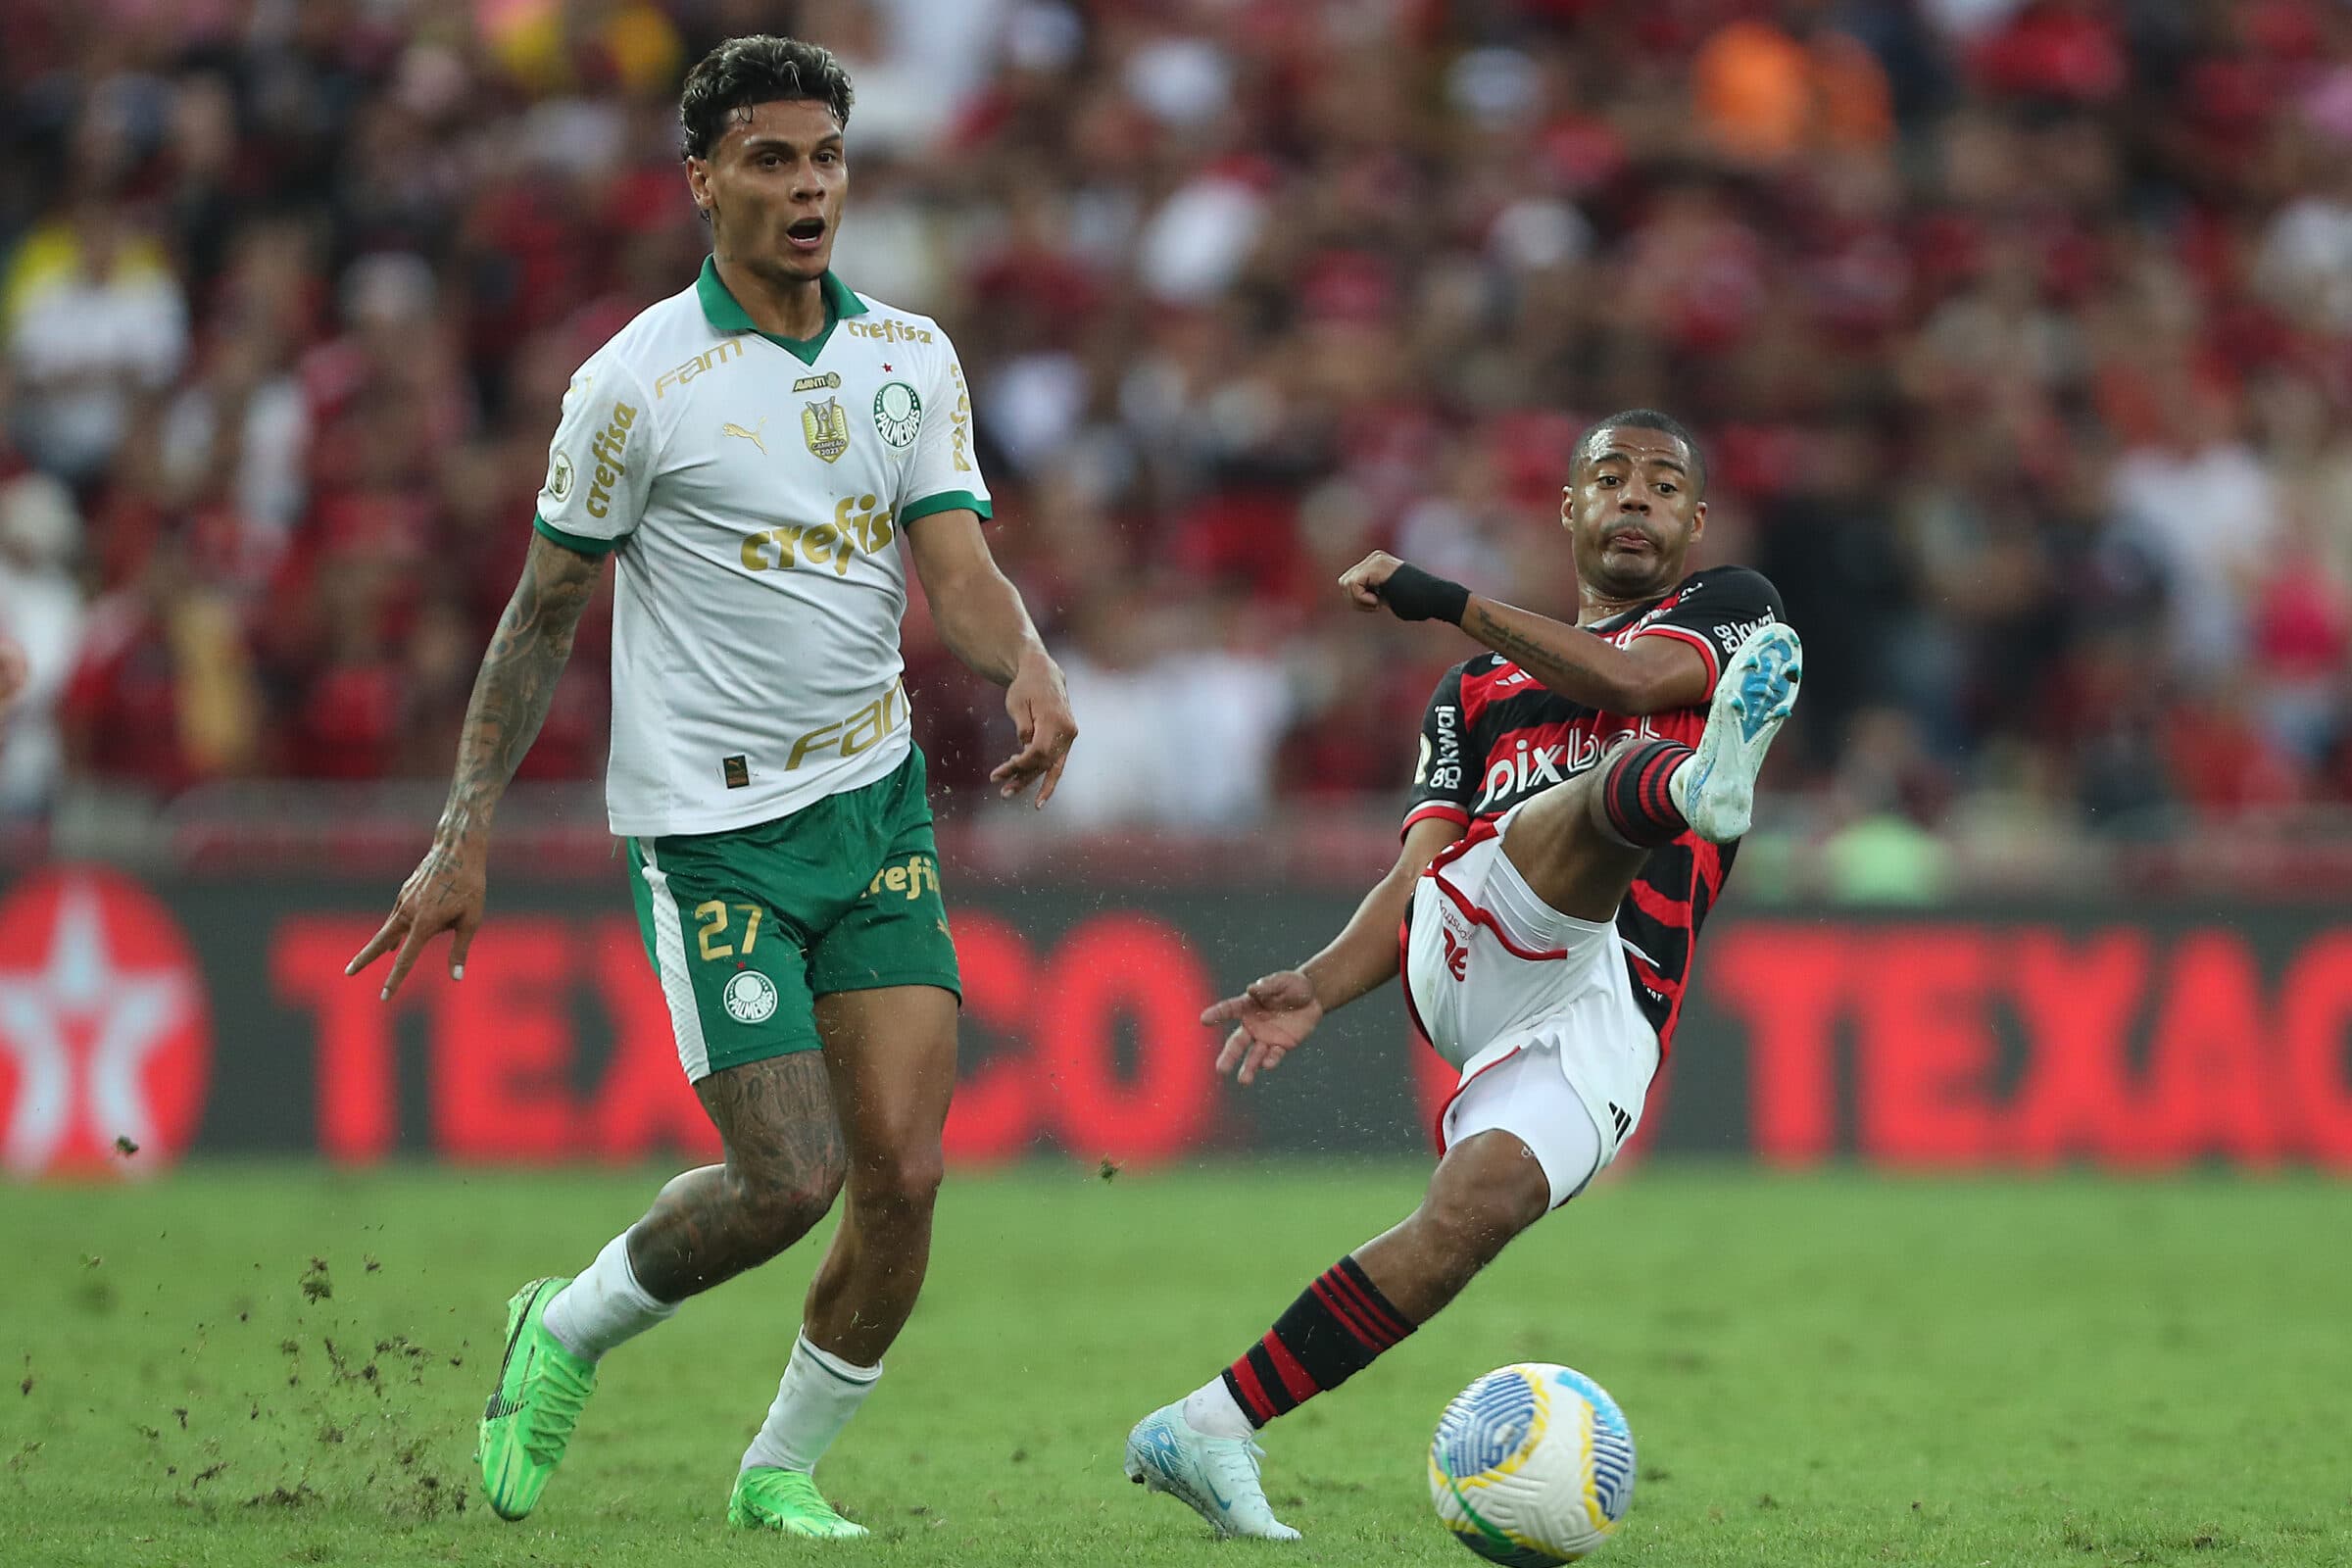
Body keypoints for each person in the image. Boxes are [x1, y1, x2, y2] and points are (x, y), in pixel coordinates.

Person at [345, 35, 1077, 1539]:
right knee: (787, 1178)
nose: (808, 188)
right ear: (704, 182)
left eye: (825, 159)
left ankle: (778, 1470)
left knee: (907, 1172)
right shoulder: (631, 385)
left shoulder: (909, 358)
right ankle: (566, 1327)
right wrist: (461, 830)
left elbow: (958, 567)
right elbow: (540, 616)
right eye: (770, 160)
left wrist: (1029, 665)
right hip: (712, 833)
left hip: (872, 806)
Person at [1122, 410, 1800, 1539]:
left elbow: (1634, 680)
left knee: (1470, 1214)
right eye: (1611, 478)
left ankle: (1207, 1423)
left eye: (1665, 485)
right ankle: (1691, 789)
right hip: (1475, 947)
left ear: (1695, 522)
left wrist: (1445, 593)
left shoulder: (1735, 609)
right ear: (1570, 508)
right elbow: (1415, 872)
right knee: (1602, 790)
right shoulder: (1476, 691)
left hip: (1616, 1006)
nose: (1637, 498)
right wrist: (1322, 982)